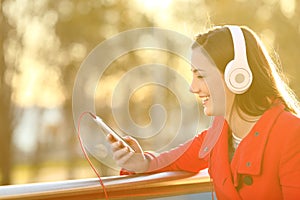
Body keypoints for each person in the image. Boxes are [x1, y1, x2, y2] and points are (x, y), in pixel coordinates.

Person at [106, 25, 300, 199]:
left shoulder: (291, 134)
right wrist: (139, 161)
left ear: (237, 76)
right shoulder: (217, 136)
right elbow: (170, 161)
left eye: (201, 75)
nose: (192, 87)